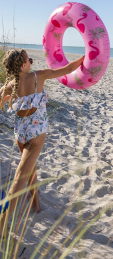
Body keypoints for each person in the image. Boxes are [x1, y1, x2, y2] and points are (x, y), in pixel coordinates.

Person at [0, 49, 83, 236]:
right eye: (29, 59)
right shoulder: (38, 76)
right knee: (21, 175)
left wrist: (6, 98)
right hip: (36, 133)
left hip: (20, 132)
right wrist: (87, 58)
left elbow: (2, 98)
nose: (31, 61)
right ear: (23, 65)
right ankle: (3, 224)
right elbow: (68, 68)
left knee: (30, 168)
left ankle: (36, 203)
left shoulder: (12, 84)